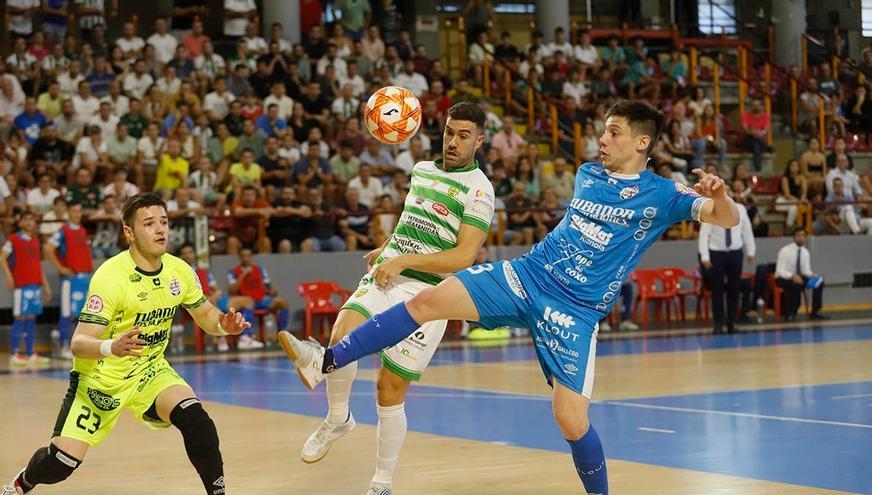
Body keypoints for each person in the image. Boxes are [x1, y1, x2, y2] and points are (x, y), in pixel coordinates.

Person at [278, 100, 739, 494]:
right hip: (528, 275)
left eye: (613, 133)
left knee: (571, 420)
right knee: (426, 303)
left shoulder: (662, 194)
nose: (602, 139)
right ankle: (327, 361)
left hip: (575, 310)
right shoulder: (587, 173)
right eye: (603, 130)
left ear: (642, 143)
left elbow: (726, 220)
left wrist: (720, 196)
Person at [279, 101, 494, 495]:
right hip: (388, 273)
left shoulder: (480, 190)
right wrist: (388, 247)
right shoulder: (422, 170)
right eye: (449, 132)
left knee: (388, 390)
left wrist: (405, 259)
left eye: (464, 136)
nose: (453, 141)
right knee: (342, 333)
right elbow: (413, 220)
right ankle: (337, 417)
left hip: (429, 294)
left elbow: (464, 256)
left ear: (479, 141)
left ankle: (381, 484)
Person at [2, 193, 250, 495]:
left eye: (164, 222)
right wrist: (111, 346)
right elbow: (79, 343)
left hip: (149, 371)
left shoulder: (180, 271)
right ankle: (22, 483)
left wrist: (223, 324)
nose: (160, 230)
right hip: (99, 380)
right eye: (149, 223)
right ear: (129, 233)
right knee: (61, 464)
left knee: (197, 421)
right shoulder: (110, 277)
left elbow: (206, 315)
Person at [698, 188, 755, 333]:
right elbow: (704, 234)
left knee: (734, 289)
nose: (727, 194)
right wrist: (705, 256)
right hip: (717, 253)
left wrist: (751, 250)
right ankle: (718, 323)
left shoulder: (740, 208)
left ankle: (731, 322)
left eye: (729, 191)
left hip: (735, 252)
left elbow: (747, 230)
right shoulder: (711, 207)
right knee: (717, 289)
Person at [179, 243, 255, 352]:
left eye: (190, 252)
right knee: (211, 306)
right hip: (196, 305)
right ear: (180, 257)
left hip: (214, 299)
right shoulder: (179, 274)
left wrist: (214, 296)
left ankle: (245, 337)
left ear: (194, 254)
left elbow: (218, 290)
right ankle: (221, 338)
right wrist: (207, 300)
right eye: (184, 254)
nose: (187, 256)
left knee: (248, 301)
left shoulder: (203, 272)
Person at [1, 210, 52, 365]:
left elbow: (37, 265)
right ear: (21, 222)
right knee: (20, 318)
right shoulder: (13, 239)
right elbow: (2, 257)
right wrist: (8, 275)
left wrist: (46, 285)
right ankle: (14, 354)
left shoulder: (36, 241)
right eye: (26, 220)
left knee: (31, 319)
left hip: (35, 285)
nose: (29, 222)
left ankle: (30, 353)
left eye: (32, 219)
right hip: (21, 286)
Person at [44, 200, 93, 358]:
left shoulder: (83, 231)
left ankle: (75, 344)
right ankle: (64, 345)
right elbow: (48, 249)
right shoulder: (63, 230)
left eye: (79, 211)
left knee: (83, 314)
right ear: (68, 212)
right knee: (67, 312)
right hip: (70, 280)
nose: (77, 214)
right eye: (74, 211)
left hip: (84, 278)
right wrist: (61, 268)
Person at [227, 247, 289, 348]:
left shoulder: (260, 270)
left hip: (261, 300)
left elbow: (268, 285)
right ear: (239, 257)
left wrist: (272, 290)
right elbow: (232, 290)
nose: (246, 258)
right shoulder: (233, 272)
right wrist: (243, 274)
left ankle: (281, 336)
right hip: (246, 302)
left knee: (283, 302)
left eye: (248, 256)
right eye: (243, 256)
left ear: (251, 257)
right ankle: (246, 337)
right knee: (247, 303)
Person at [775, 228, 826, 321]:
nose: (801, 238)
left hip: (800, 278)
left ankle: (815, 312)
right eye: (798, 235)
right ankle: (791, 313)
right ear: (794, 237)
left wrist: (816, 276)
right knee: (796, 284)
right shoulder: (785, 251)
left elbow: (806, 271)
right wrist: (792, 276)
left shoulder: (805, 252)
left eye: (803, 236)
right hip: (783, 278)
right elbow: (780, 271)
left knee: (818, 283)